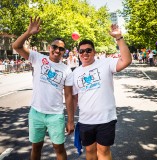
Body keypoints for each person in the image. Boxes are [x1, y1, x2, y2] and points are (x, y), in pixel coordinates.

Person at [12, 17, 74, 160]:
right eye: (54, 47)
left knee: (59, 148)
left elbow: (69, 96)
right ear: (49, 48)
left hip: (56, 115)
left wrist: (70, 120)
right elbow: (16, 46)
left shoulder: (66, 70)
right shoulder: (38, 58)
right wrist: (28, 32)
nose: (57, 50)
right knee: (36, 147)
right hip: (36, 113)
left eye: (61, 49)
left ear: (64, 52)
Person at [73, 24, 132, 160]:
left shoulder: (106, 63)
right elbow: (74, 98)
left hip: (105, 118)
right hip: (85, 120)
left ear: (94, 52)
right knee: (90, 151)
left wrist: (119, 38)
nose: (85, 53)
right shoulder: (75, 73)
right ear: (78, 54)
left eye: (88, 50)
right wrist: (70, 120)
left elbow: (127, 60)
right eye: (81, 51)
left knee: (103, 151)